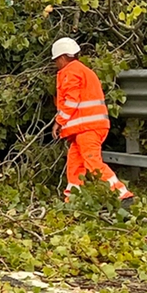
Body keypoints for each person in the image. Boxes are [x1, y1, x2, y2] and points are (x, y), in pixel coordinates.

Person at [51, 37, 132, 204]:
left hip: (87, 128)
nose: (55, 64)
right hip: (86, 128)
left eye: (56, 60)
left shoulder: (71, 72)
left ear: (62, 57)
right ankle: (72, 199)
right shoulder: (82, 70)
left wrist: (59, 121)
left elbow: (71, 101)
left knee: (93, 163)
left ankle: (122, 195)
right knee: (75, 166)